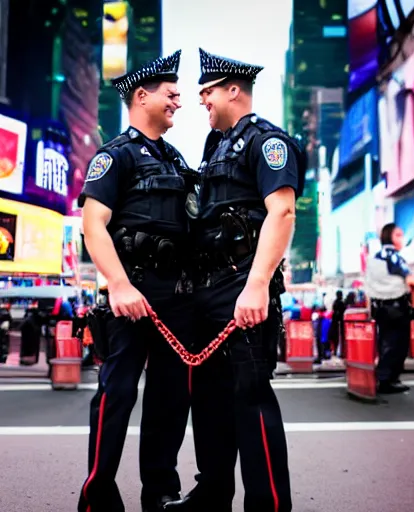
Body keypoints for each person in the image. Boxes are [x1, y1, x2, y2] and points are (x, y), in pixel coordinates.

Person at [168, 48, 306, 512]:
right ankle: (212, 494)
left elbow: (282, 212)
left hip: (243, 286)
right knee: (208, 403)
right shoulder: (216, 147)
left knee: (250, 401)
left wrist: (257, 285)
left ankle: (268, 505)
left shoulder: (268, 142)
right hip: (208, 291)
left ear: (233, 90)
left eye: (207, 91)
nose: (201, 100)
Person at [77, 51, 197, 512]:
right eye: (171, 94)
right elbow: (93, 225)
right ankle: (98, 496)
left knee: (171, 400)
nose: (179, 102)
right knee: (118, 394)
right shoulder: (115, 156)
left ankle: (161, 492)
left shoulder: (176, 159)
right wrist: (120, 285)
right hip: (131, 294)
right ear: (141, 96)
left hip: (177, 300)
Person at [365, 223, 414, 394]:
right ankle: (389, 380)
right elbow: (412, 282)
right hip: (397, 307)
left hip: (381, 308)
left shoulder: (374, 258)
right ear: (389, 236)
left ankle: (384, 377)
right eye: (398, 235)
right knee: (398, 344)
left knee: (385, 343)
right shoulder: (394, 257)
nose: (402, 238)